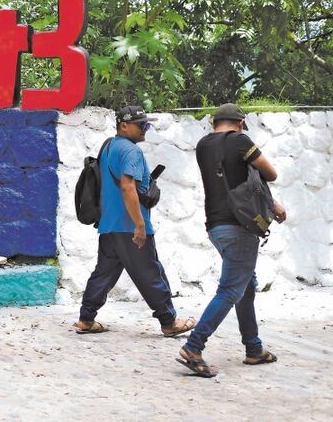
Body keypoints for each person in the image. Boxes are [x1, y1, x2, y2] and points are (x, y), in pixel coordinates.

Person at [177, 103, 286, 378]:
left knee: (245, 285)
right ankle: (194, 346)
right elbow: (270, 173)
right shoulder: (240, 141)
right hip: (240, 226)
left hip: (215, 226)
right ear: (241, 121)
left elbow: (236, 179)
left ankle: (254, 349)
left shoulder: (203, 145)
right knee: (230, 289)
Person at [73, 105, 195, 337]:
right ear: (124, 125)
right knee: (150, 272)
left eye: (146, 125)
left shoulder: (109, 146)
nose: (145, 129)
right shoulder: (131, 151)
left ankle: (86, 319)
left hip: (109, 224)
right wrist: (139, 225)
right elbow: (128, 186)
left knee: (104, 273)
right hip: (129, 225)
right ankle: (169, 322)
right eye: (142, 125)